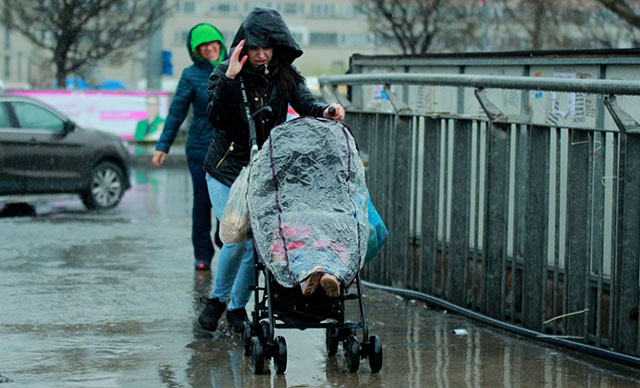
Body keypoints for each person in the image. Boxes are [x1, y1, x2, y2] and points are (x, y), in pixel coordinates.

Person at [197, 7, 346, 333]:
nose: (261, 55)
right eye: (254, 48)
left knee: (256, 245)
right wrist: (231, 77)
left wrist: (326, 110)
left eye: (267, 48)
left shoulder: (285, 74)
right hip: (226, 170)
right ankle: (217, 302)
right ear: (242, 47)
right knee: (236, 237)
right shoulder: (225, 74)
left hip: (263, 170)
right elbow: (216, 118)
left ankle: (236, 310)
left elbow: (306, 102)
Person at [153, 23, 227, 271]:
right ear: (195, 50)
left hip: (229, 150)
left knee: (228, 203)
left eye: (212, 43)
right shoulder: (190, 74)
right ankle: (202, 254)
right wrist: (163, 146)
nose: (209, 49)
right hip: (199, 149)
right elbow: (176, 112)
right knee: (202, 202)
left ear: (221, 43)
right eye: (202, 46)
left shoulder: (234, 68)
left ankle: (223, 239)